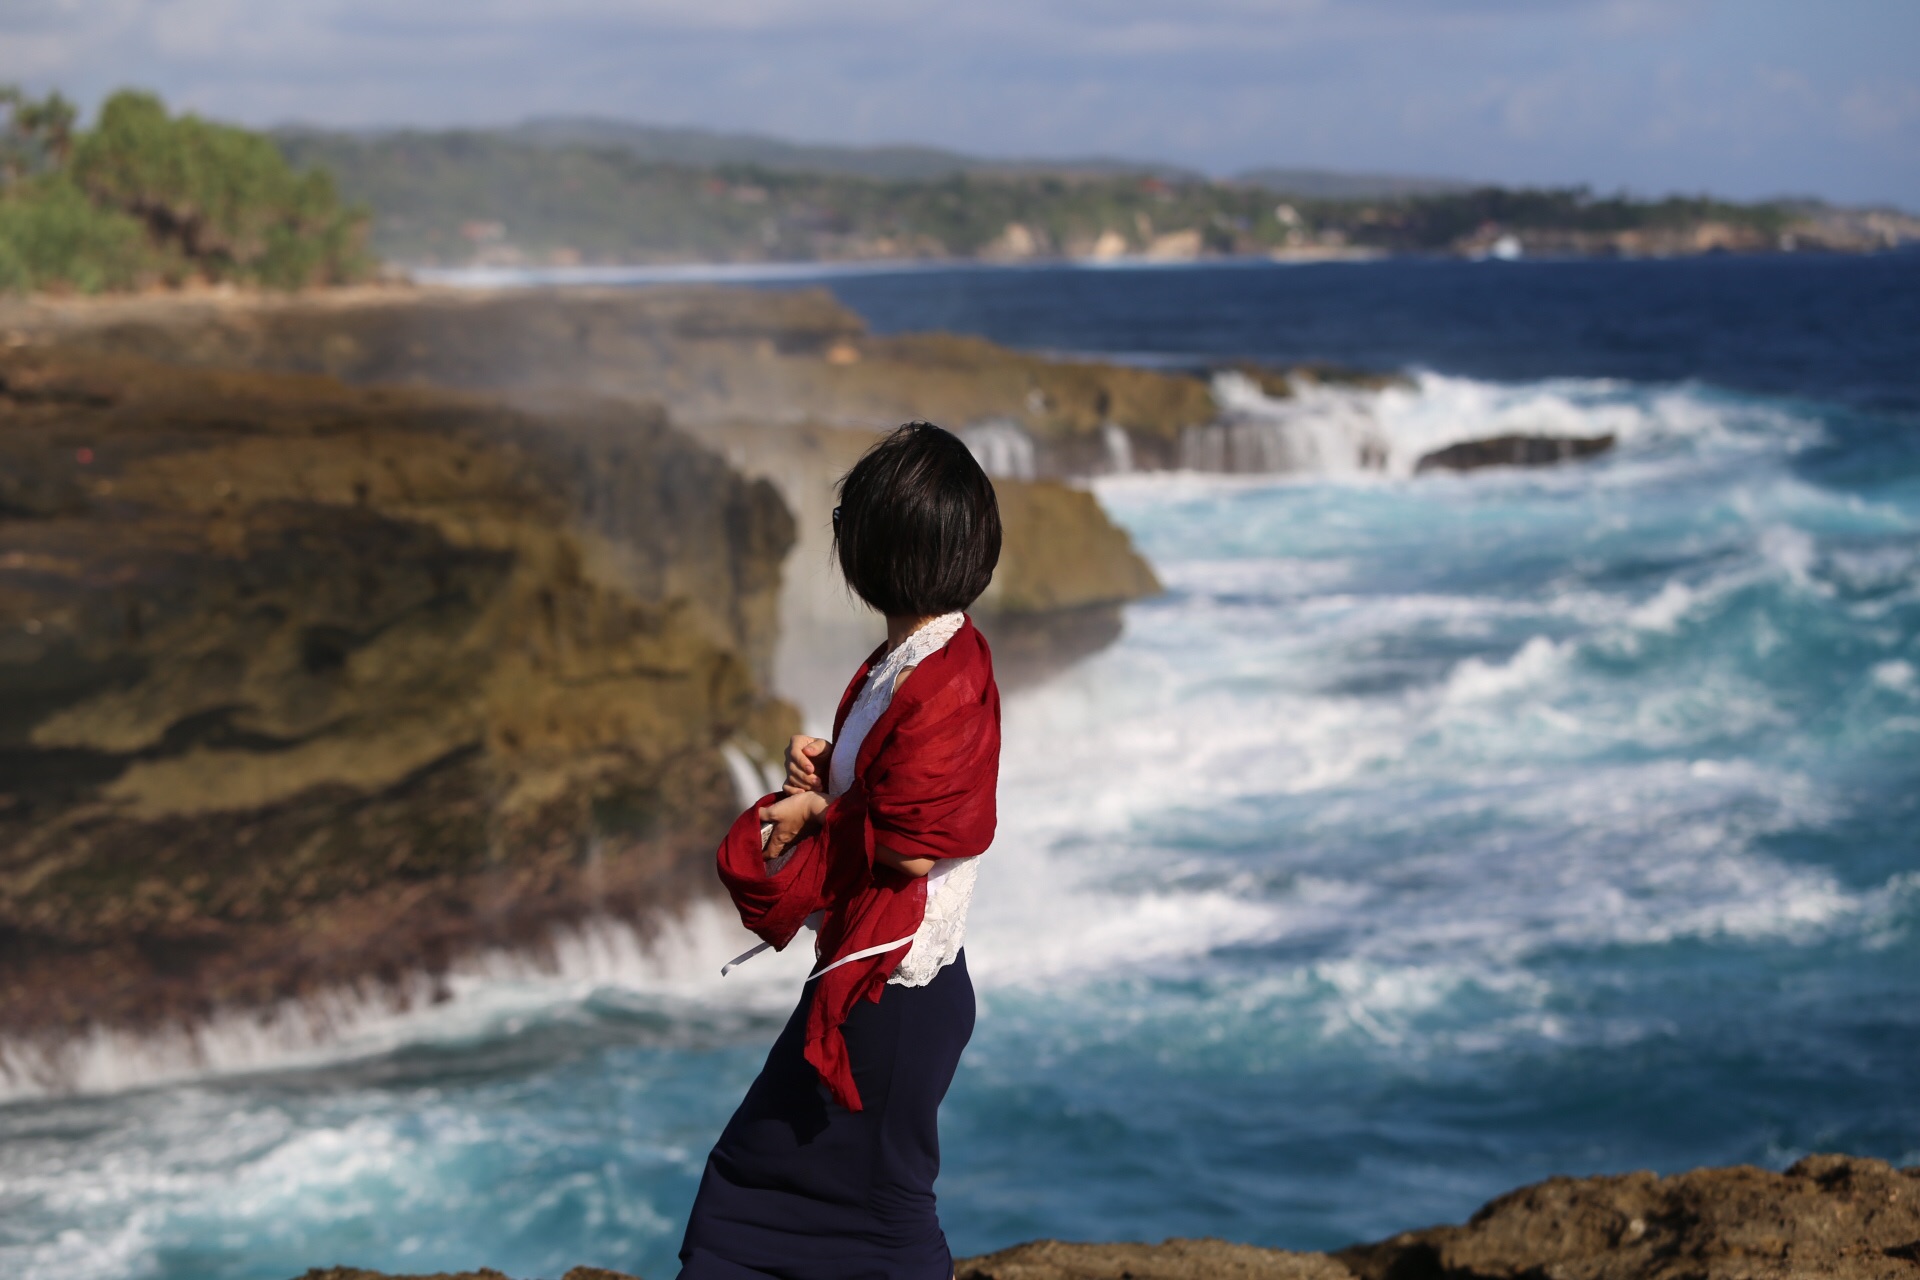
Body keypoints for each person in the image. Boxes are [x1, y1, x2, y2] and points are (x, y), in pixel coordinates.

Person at [678, 422, 1004, 1280]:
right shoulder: (911, 660)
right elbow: (892, 791)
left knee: (838, 1209)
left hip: (895, 996)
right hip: (880, 985)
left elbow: (913, 848)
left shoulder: (943, 678)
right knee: (802, 1200)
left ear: (871, 553)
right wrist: (829, 771)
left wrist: (822, 811)